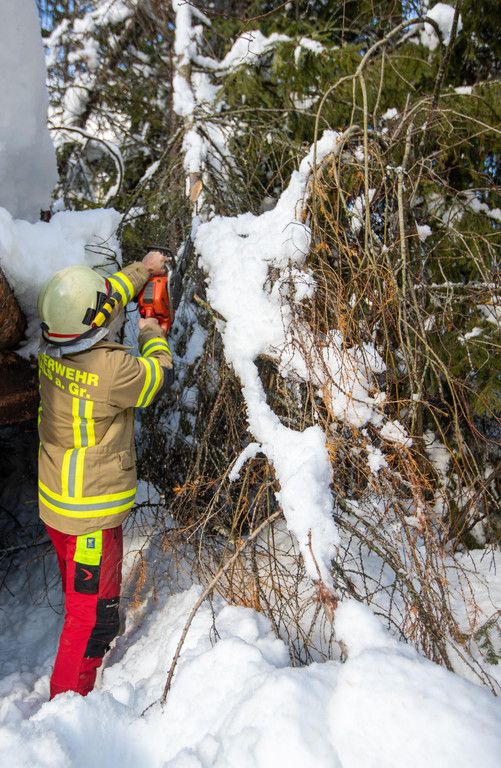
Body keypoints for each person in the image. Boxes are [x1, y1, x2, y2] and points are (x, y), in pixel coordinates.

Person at [37, 250, 173, 698]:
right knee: (90, 618)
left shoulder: (52, 342)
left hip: (58, 504)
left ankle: (93, 640)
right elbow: (155, 377)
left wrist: (143, 270)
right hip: (89, 518)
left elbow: (104, 296)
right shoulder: (111, 370)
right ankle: (67, 704)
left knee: (85, 598)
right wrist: (152, 332)